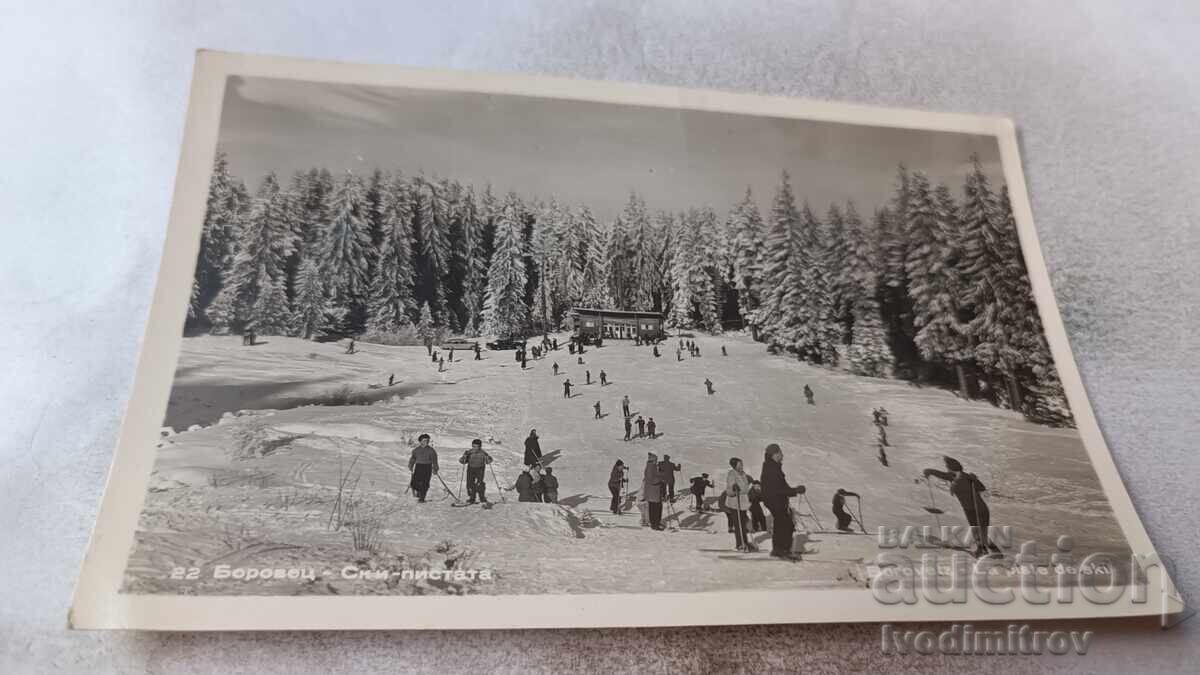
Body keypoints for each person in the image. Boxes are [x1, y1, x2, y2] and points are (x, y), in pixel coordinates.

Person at [923, 456, 1000, 557]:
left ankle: (995, 552)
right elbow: (943, 475)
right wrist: (929, 471)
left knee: (982, 533)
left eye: (947, 466)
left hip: (979, 509)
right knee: (976, 531)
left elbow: (981, 488)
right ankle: (982, 551)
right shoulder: (953, 476)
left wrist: (975, 479)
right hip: (969, 510)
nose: (946, 468)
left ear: (951, 467)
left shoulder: (966, 477)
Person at [760, 443, 806, 559]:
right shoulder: (772, 468)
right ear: (774, 454)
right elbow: (778, 488)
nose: (782, 455)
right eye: (780, 453)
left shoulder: (773, 466)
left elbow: (782, 486)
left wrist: (794, 490)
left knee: (781, 523)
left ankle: (778, 549)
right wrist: (795, 490)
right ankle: (782, 550)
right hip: (774, 500)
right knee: (786, 523)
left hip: (774, 499)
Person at [725, 457, 757, 552]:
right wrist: (734, 488)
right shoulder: (731, 474)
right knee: (738, 525)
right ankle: (740, 544)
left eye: (742, 464)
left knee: (743, 524)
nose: (742, 466)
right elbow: (729, 488)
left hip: (743, 503)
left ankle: (745, 542)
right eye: (740, 464)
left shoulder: (743, 474)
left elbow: (745, 487)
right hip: (735, 503)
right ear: (735, 466)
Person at [459, 439, 493, 504]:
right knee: (470, 483)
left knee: (480, 483)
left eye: (476, 446)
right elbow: (462, 461)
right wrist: (464, 457)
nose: (474, 448)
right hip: (471, 469)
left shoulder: (483, 453)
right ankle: (472, 498)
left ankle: (482, 497)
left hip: (480, 469)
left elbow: (488, 461)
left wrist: (488, 458)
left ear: (480, 447)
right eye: (473, 446)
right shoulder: (469, 452)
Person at [407, 433, 439, 503]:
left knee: (425, 483)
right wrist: (411, 465)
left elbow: (434, 461)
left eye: (427, 440)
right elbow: (413, 458)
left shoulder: (431, 450)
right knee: (415, 482)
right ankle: (419, 492)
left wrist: (435, 469)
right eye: (424, 440)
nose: (426, 442)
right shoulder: (416, 450)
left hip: (427, 468)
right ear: (420, 441)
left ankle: (422, 498)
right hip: (418, 467)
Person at [642, 453, 665, 530]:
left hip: (654, 491)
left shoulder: (652, 467)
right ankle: (655, 524)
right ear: (652, 460)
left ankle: (656, 523)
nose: (656, 461)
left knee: (655, 507)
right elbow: (651, 480)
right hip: (653, 492)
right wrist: (660, 477)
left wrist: (660, 474)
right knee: (655, 508)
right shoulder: (650, 467)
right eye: (655, 460)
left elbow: (654, 476)